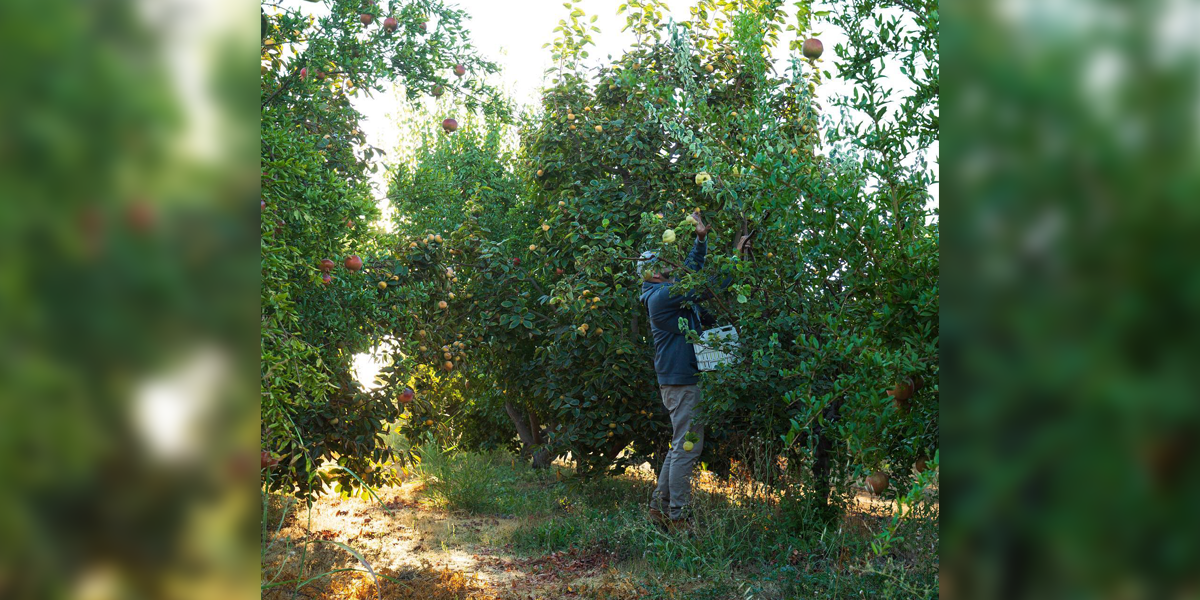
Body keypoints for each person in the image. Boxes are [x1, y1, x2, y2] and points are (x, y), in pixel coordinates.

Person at [638, 211, 750, 527]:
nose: (670, 266)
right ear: (652, 273)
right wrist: (734, 261)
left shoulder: (663, 292)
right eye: (663, 263)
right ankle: (678, 516)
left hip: (680, 379)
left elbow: (690, 274)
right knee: (688, 449)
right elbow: (700, 286)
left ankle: (659, 509)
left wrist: (700, 240)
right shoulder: (661, 297)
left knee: (680, 446)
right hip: (681, 382)